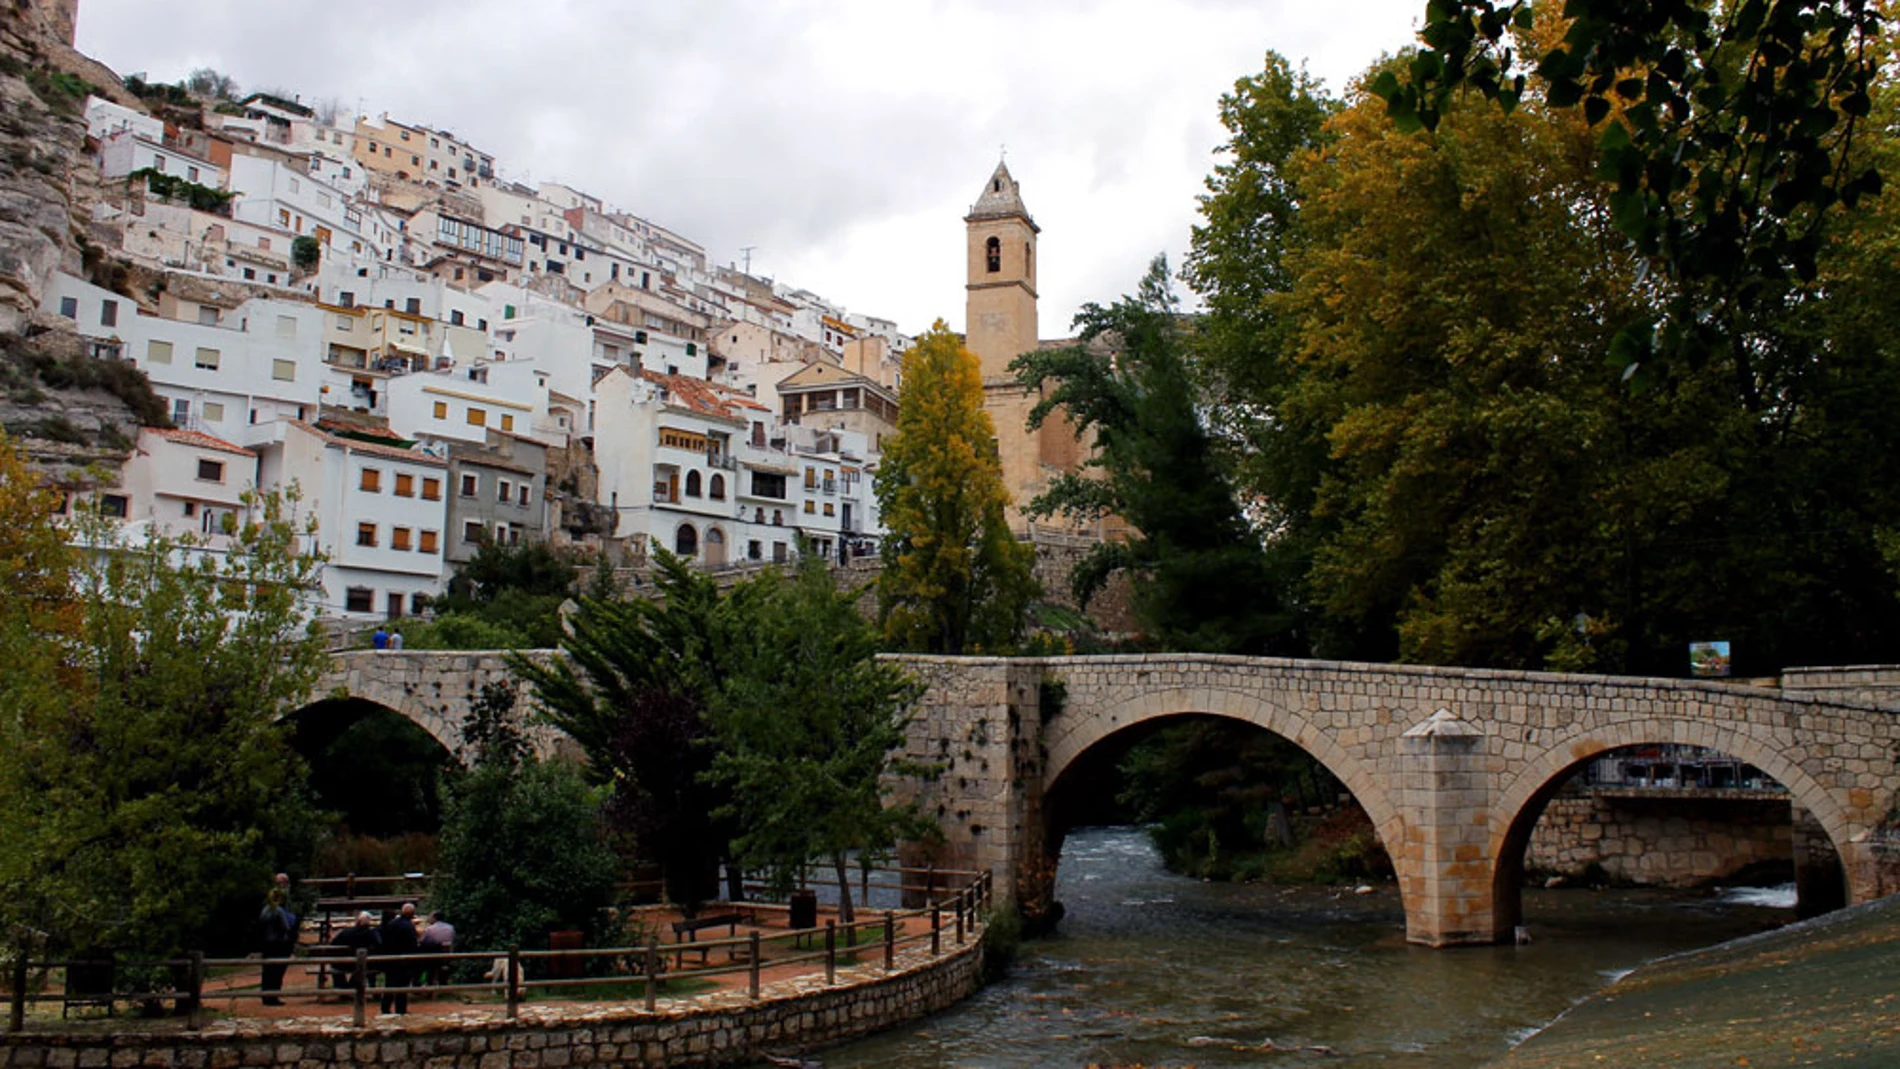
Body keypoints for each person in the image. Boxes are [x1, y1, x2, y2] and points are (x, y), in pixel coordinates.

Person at [256, 875, 299, 1007]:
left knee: (267, 970)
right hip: (278, 943)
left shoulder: (265, 910)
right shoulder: (279, 911)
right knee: (277, 970)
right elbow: (286, 926)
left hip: (267, 943)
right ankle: (273, 996)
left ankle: (266, 995)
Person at [377, 903, 420, 1014]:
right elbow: (413, 945)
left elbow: (384, 941)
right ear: (412, 914)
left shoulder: (391, 924)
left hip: (390, 959)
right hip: (403, 961)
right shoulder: (409, 927)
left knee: (389, 985)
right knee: (402, 986)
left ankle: (385, 1008)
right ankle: (400, 1010)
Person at [330, 911, 380, 992]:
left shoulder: (345, 933)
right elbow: (378, 945)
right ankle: (349, 987)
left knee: (335, 965)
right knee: (368, 966)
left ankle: (343, 987)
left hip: (342, 964)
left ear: (357, 921)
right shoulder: (371, 934)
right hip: (362, 964)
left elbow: (333, 945)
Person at [417, 912, 455, 990]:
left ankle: (424, 983)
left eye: (430, 917)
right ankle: (442, 982)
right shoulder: (451, 927)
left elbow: (422, 942)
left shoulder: (429, 929)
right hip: (447, 957)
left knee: (419, 962)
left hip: (432, 958)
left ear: (434, 918)